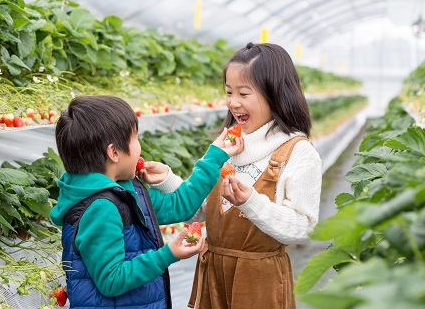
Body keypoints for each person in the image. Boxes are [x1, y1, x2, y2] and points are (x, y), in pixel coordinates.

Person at [151, 42, 322, 308]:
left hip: (259, 280)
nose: (232, 102)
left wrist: (250, 202)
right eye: (228, 92)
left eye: (243, 93)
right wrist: (168, 180)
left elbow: (302, 226)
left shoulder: (298, 152)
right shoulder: (227, 146)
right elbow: (206, 211)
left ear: (276, 95)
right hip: (214, 273)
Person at [50, 95, 243, 309]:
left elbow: (181, 205)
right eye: (135, 139)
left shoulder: (126, 189)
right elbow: (111, 279)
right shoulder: (100, 208)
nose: (139, 147)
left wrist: (215, 156)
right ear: (114, 152)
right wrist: (167, 254)